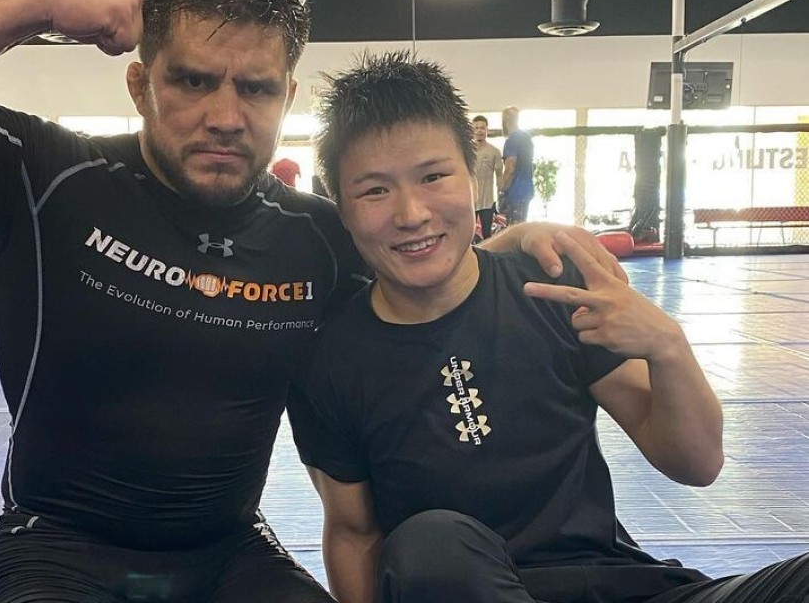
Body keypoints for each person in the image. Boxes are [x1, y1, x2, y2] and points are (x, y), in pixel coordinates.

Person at [0, 0, 626, 602]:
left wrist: (515, 242)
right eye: (192, 81)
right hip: (58, 550)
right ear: (139, 83)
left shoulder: (321, 237)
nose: (225, 116)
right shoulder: (51, 178)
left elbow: (430, 262)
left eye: (255, 89)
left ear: (287, 98)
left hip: (230, 554)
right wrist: (30, 6)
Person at [290, 51, 809, 603]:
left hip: (617, 585)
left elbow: (697, 463)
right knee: (429, 545)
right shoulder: (331, 361)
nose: (411, 212)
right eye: (375, 190)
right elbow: (354, 535)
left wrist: (669, 346)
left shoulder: (551, 292)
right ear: (341, 207)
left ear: (474, 180)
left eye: (434, 176)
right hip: (464, 587)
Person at [499, 105, 534, 225]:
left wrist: (502, 191)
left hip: (515, 192)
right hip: (527, 190)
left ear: (505, 120)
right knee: (521, 227)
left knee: (513, 231)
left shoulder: (512, 140)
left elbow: (510, 168)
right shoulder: (527, 138)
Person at [471, 114, 503, 239]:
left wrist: (500, 197)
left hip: (487, 202)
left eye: (482, 128)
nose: (479, 131)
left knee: (487, 235)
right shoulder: (466, 151)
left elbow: (499, 176)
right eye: (476, 128)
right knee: (468, 235)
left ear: (487, 130)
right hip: (470, 201)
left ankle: (486, 257)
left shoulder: (494, 152)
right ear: (472, 130)